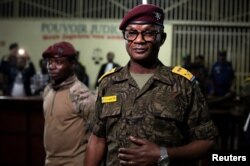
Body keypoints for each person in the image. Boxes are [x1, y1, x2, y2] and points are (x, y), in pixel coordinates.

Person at [85, 4, 218, 166]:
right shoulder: (109, 83)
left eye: (148, 33)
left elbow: (207, 142)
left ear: (161, 38)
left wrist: (164, 154)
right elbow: (97, 139)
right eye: (132, 33)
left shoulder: (183, 85)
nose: (139, 40)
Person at [42, 41, 96, 166]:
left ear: (73, 64)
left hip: (74, 162)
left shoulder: (81, 95)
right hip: (49, 161)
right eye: (49, 62)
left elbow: (98, 136)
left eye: (59, 62)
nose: (51, 66)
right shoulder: (48, 90)